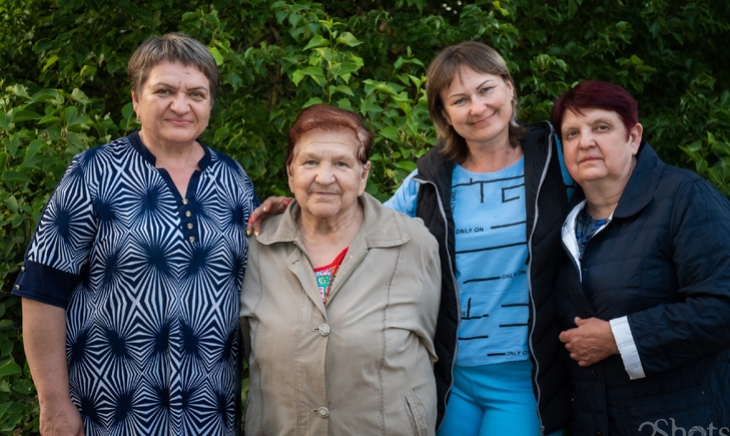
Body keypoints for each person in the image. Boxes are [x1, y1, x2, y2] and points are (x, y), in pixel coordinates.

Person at [248, 41, 572, 435]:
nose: (477, 107)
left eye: (486, 90)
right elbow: (358, 223)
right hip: (451, 375)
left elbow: (615, 196)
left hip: (522, 374)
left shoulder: (556, 160)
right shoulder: (429, 182)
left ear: (509, 87)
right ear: (444, 114)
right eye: (460, 100)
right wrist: (295, 209)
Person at [13, 33, 258, 435]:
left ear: (210, 103)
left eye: (196, 94)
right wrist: (54, 405)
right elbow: (42, 289)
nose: (181, 105)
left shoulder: (234, 180)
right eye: (164, 91)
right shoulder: (94, 171)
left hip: (209, 415)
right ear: (135, 99)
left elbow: (258, 289)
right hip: (110, 413)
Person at [239, 104, 441, 434]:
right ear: (290, 173)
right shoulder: (257, 247)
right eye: (310, 162)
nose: (324, 177)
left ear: (363, 175)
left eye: (341, 164)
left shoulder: (413, 244)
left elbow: (435, 339)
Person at [553, 81, 730, 435]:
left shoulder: (684, 198)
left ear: (633, 138)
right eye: (572, 133)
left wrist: (617, 338)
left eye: (601, 127)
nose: (585, 141)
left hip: (683, 420)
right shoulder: (560, 222)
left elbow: (721, 306)